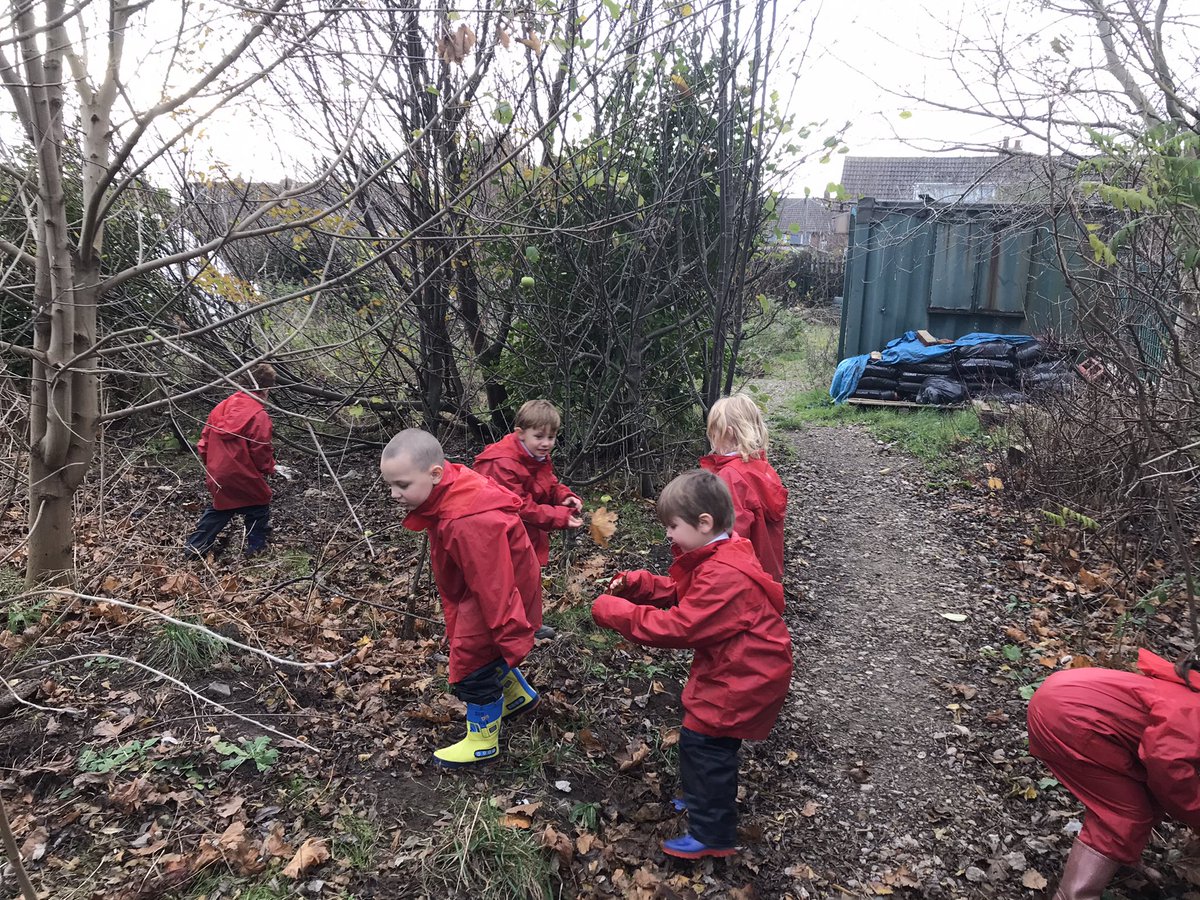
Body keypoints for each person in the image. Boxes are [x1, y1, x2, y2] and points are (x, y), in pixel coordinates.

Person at [591, 469, 793, 859]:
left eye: (673, 526)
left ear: (704, 523)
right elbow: (687, 592)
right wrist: (641, 586)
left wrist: (616, 612)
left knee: (704, 742)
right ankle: (705, 797)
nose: (668, 535)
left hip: (745, 674)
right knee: (709, 741)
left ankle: (713, 832)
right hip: (741, 665)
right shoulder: (722, 551)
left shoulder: (723, 574)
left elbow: (682, 626)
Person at [380, 428, 543, 767]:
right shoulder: (452, 491)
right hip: (486, 589)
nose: (395, 495)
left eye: (403, 485)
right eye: (390, 486)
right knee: (479, 649)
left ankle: (483, 742)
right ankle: (516, 698)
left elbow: (494, 583)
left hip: (496, 595)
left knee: (472, 663)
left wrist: (509, 631)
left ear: (435, 474)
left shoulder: (465, 518)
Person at [1027, 649, 1200, 899]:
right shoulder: (1193, 710)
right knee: (1125, 814)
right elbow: (1168, 764)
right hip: (1070, 717)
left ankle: (1112, 862)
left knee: (1145, 797)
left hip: (1068, 703)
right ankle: (1073, 894)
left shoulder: (1190, 692)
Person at [473, 399, 583, 638]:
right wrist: (559, 517)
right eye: (539, 436)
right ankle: (505, 630)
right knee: (505, 580)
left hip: (524, 531)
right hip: (499, 534)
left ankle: (529, 625)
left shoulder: (534, 455)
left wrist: (564, 497)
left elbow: (548, 483)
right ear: (520, 433)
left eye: (552, 437)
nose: (546, 443)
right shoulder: (501, 463)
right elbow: (519, 505)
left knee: (529, 574)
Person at [184, 363, 278, 559]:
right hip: (244, 474)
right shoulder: (259, 415)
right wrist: (268, 468)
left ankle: (194, 548)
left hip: (218, 472)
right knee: (259, 506)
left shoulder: (220, 408)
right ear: (265, 389)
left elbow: (204, 443)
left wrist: (212, 465)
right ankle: (256, 550)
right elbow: (260, 449)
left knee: (220, 507)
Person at [699, 394, 788, 582]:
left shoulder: (731, 476)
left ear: (728, 432)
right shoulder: (763, 468)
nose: (712, 440)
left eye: (714, 433)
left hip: (740, 577)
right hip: (765, 571)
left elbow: (732, 531)